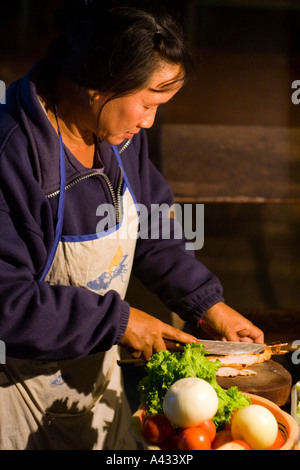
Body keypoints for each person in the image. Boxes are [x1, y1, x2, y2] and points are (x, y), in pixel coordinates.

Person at [0, 1, 264, 450]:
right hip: (17, 403)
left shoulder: (118, 139)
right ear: (98, 85)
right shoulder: (14, 155)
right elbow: (8, 299)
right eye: (146, 103)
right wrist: (119, 322)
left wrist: (207, 304)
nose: (149, 122)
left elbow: (153, 229)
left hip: (94, 386)